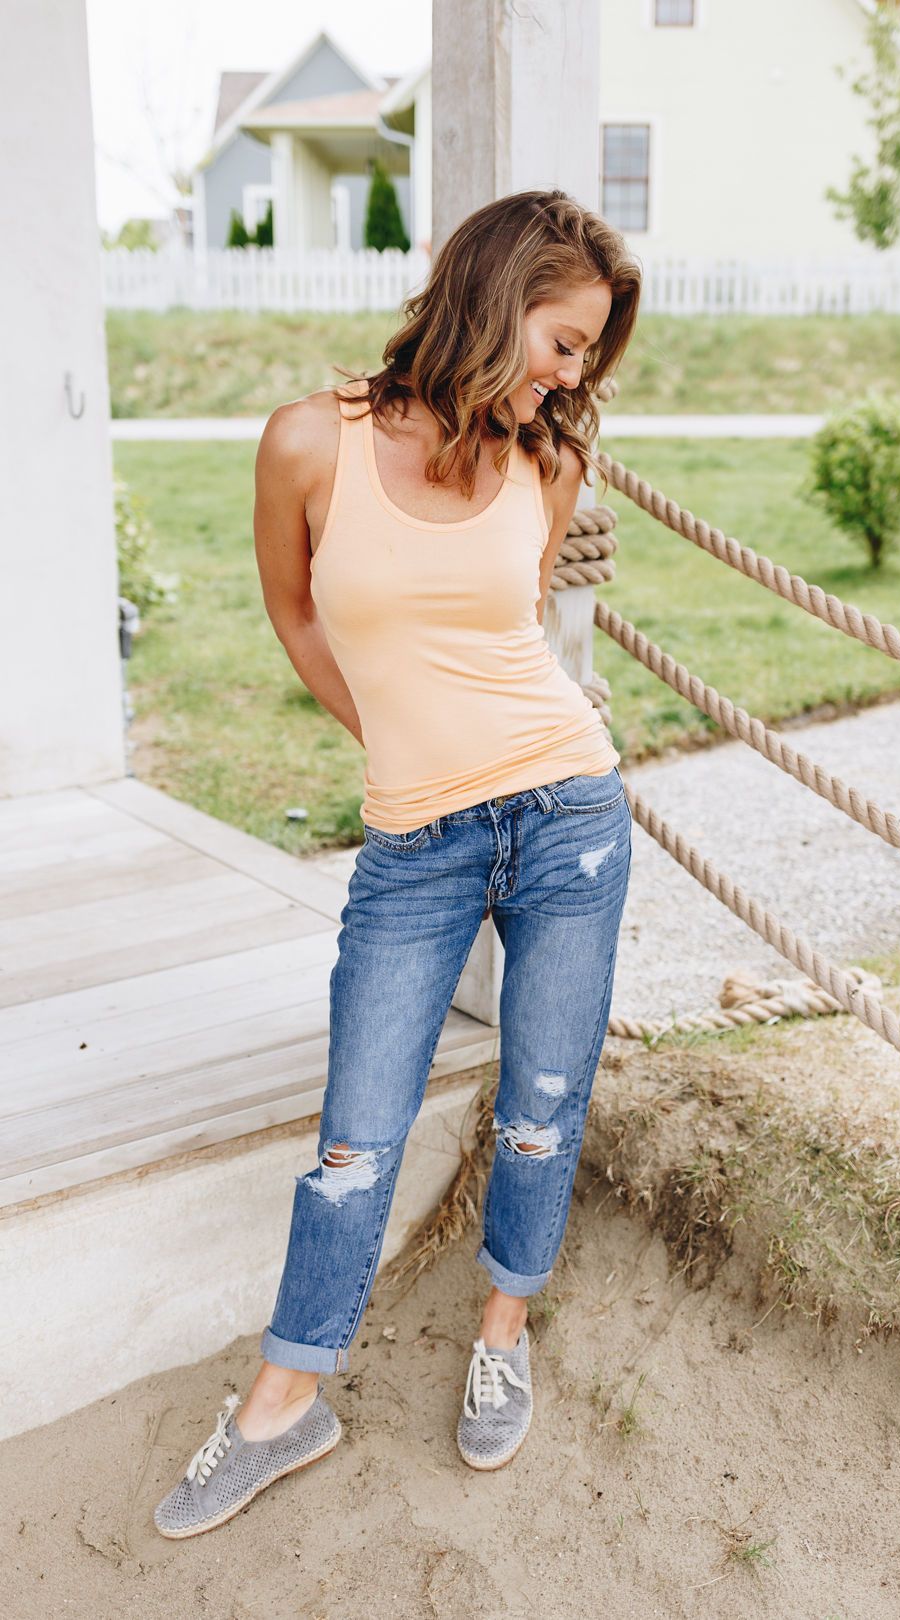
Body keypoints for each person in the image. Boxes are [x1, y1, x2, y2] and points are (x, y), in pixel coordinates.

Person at [154, 189, 642, 1538]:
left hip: (569, 817)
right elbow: (297, 609)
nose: (573, 375)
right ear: (492, 301)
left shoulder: (548, 461)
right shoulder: (311, 441)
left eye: (588, 354)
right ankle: (283, 1398)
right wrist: (396, 749)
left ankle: (503, 1325)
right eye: (562, 340)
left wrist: (480, 749)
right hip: (414, 847)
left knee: (543, 1098)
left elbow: (513, 635)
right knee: (354, 1141)